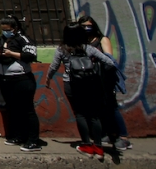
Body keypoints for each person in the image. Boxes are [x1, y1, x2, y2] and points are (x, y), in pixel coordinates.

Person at [45, 22, 118, 159]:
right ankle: (98, 147)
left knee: (80, 114)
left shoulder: (62, 49)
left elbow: (54, 66)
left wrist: (48, 79)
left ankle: (86, 144)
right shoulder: (88, 48)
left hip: (72, 84)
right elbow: (109, 62)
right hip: (91, 84)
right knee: (94, 115)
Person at [0, 15, 41, 151]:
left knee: (27, 110)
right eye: (3, 29)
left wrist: (11, 53)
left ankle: (33, 140)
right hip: (5, 79)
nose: (5, 31)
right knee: (12, 109)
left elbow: (31, 55)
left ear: (15, 28)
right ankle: (18, 136)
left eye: (8, 29)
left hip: (22, 79)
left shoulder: (23, 39)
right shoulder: (0, 40)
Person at [80, 15, 131, 151]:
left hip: (105, 79)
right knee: (98, 109)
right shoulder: (83, 42)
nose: (86, 29)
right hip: (90, 80)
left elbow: (109, 59)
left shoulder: (102, 40)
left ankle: (123, 137)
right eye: (83, 26)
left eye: (88, 26)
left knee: (111, 107)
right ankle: (109, 133)